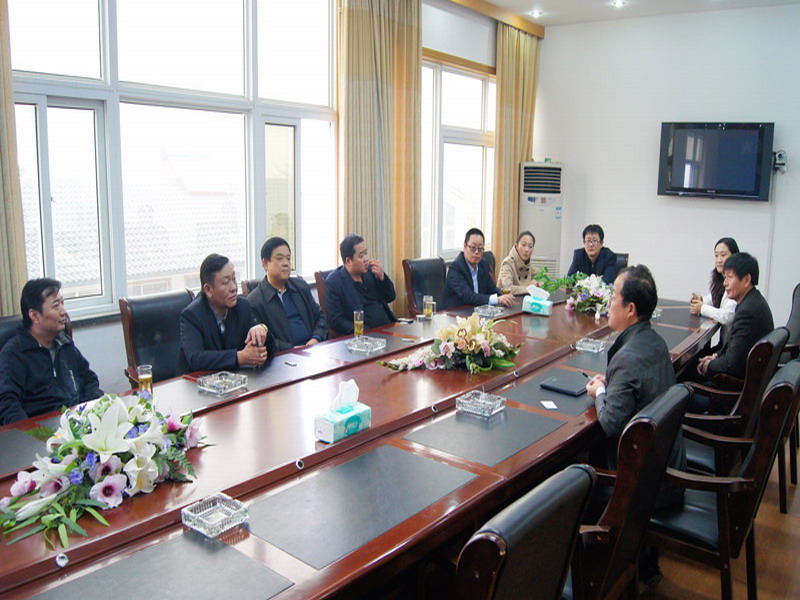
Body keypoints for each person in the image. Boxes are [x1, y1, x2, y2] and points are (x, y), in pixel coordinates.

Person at [586, 265, 686, 495]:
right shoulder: (656, 341)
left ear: (630, 309)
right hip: (667, 468)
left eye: (613, 297)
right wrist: (613, 382)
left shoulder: (627, 358)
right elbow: (640, 386)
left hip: (645, 488)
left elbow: (610, 423)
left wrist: (600, 392)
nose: (609, 303)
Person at [0, 278, 103, 425]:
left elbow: (88, 378)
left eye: (62, 303)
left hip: (76, 423)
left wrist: (97, 410)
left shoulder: (64, 342)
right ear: (34, 315)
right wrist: (34, 434)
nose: (63, 312)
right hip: (42, 430)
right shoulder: (14, 354)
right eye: (56, 306)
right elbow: (8, 405)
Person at [179, 254, 268, 372]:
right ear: (208, 290)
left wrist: (262, 328)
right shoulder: (192, 315)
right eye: (226, 282)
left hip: (237, 378)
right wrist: (239, 357)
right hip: (199, 380)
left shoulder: (242, 306)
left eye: (234, 279)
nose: (233, 288)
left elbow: (268, 347)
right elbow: (196, 359)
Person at [696, 252, 774, 384]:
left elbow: (730, 365)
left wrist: (709, 365)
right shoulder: (752, 301)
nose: (725, 283)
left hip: (737, 386)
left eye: (730, 277)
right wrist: (716, 356)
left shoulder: (747, 312)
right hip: (746, 372)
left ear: (747, 280)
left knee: (687, 375)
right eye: (725, 277)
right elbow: (735, 347)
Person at [248, 237, 327, 352]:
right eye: (279, 258)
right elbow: (266, 341)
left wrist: (316, 339)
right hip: (284, 356)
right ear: (265, 263)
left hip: (312, 349)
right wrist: (293, 349)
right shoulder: (255, 301)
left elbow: (321, 317)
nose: (286, 263)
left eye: (288, 258)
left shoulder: (300, 287)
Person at [325, 234, 396, 336]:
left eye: (366, 253)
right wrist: (362, 331)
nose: (366, 259)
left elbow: (391, 297)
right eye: (361, 256)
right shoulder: (334, 282)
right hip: (365, 335)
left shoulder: (371, 272)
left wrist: (382, 278)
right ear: (348, 261)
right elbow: (336, 320)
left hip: (388, 328)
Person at [442, 228, 515, 310]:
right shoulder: (455, 268)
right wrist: (497, 299)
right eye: (473, 248)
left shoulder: (483, 264)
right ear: (465, 246)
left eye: (480, 248)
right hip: (457, 313)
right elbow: (468, 296)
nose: (476, 252)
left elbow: (491, 288)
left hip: (479, 311)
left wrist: (503, 295)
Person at [689, 237, 739, 326]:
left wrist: (702, 308)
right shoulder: (721, 278)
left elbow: (727, 316)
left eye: (723, 255)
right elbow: (716, 297)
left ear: (734, 256)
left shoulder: (737, 282)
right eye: (716, 255)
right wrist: (700, 300)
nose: (719, 260)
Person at [498, 230, 539, 296]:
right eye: (523, 245)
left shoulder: (527, 264)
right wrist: (529, 288)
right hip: (508, 300)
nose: (527, 250)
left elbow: (541, 276)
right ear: (516, 246)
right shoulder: (508, 263)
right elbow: (507, 289)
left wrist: (538, 283)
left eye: (530, 246)